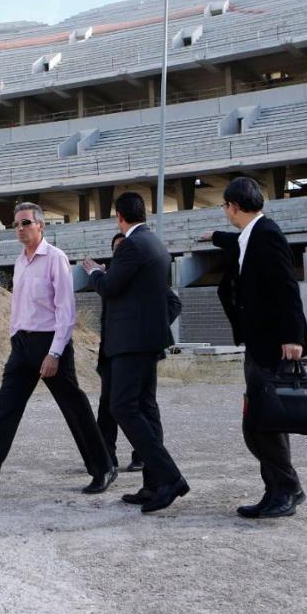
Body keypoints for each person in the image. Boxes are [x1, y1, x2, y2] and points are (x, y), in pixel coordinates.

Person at [0, 202, 116, 499]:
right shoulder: (20, 262)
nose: (20, 229)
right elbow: (19, 305)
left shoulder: (55, 259)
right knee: (5, 410)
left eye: (26, 223)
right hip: (22, 345)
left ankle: (103, 468)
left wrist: (53, 353)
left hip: (51, 344)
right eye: (16, 225)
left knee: (74, 408)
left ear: (41, 225)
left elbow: (66, 311)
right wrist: (15, 335)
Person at [203, 176, 307, 520]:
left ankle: (288, 489)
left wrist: (294, 337)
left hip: (273, 346)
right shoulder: (253, 235)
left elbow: (287, 288)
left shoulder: (268, 235)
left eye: (224, 207)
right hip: (259, 343)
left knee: (263, 423)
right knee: (262, 423)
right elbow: (238, 245)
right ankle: (275, 489)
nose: (224, 212)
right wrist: (216, 238)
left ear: (233, 206)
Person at [82, 192, 189, 514]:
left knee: (123, 407)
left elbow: (110, 287)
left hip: (130, 343)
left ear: (119, 216)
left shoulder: (130, 245)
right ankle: (153, 483)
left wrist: (95, 273)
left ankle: (170, 478)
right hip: (147, 342)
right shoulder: (156, 244)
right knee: (144, 407)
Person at [93, 232, 183, 480]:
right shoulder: (114, 277)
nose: (122, 252)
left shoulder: (145, 279)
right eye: (118, 249)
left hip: (138, 349)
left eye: (125, 248)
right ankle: (106, 457)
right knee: (108, 407)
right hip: (112, 351)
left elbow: (173, 304)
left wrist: (149, 329)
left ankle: (147, 460)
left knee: (142, 405)